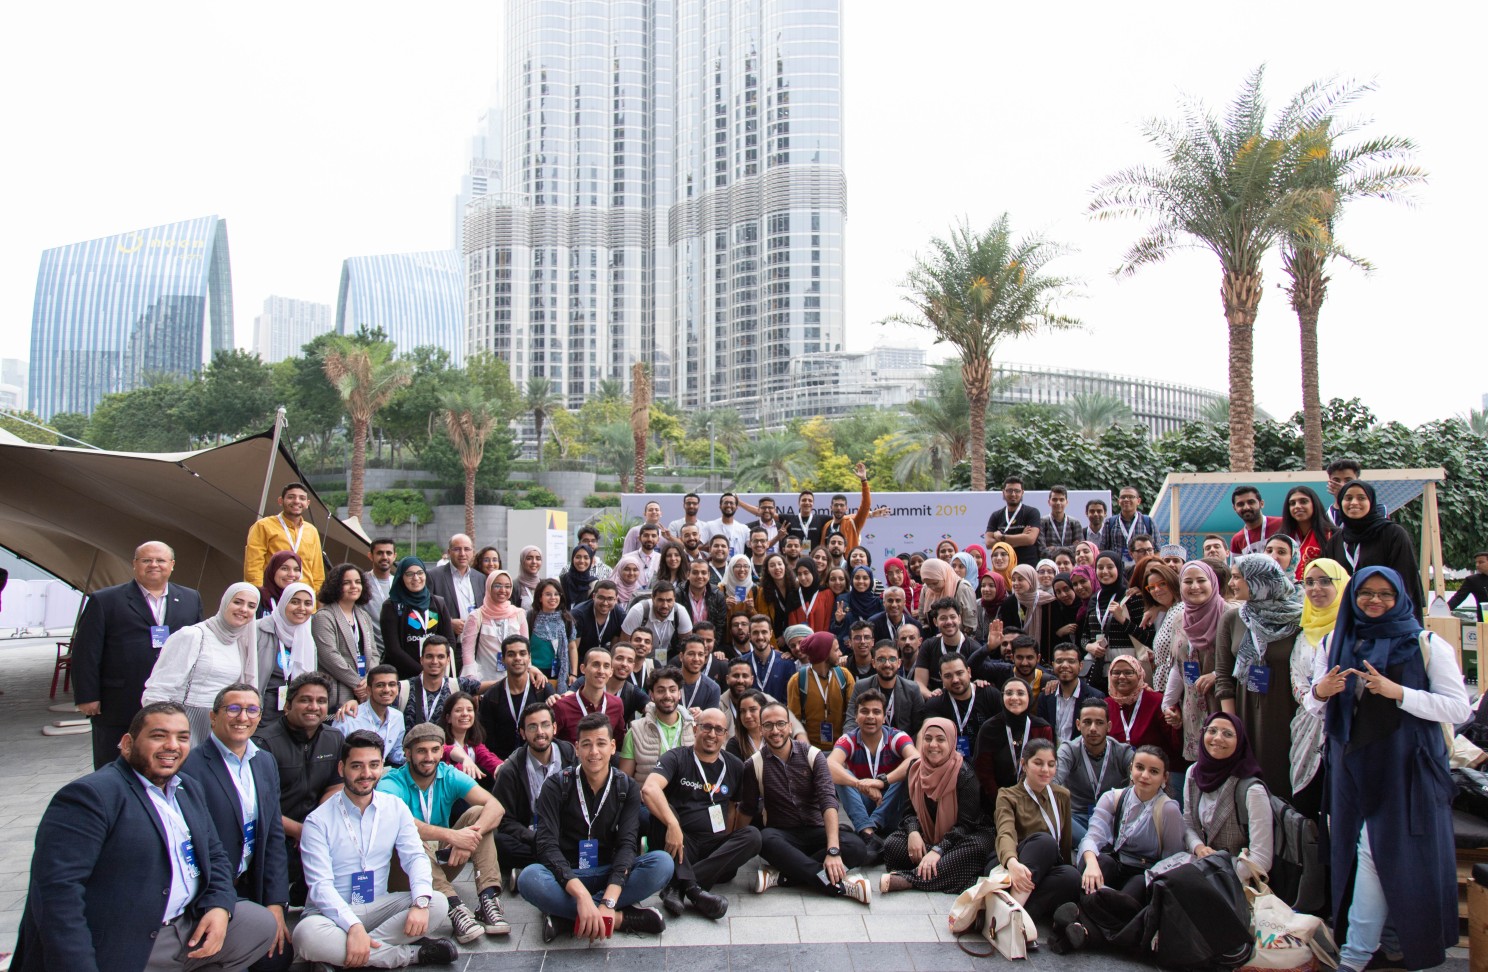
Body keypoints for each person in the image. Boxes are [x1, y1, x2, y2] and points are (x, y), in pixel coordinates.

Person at [12, 701, 278, 972]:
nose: (172, 745)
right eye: (159, 736)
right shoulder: (90, 797)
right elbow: (57, 894)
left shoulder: (187, 789)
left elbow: (215, 856)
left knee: (258, 924)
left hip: (186, 925)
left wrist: (220, 907)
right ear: (127, 744)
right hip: (127, 939)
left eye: (182, 737)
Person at [1305, 566, 1470, 972]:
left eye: (1385, 594)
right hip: (1349, 767)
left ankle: (1357, 954)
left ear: (1400, 597)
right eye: (1366, 593)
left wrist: (1400, 694)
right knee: (1358, 852)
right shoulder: (1335, 640)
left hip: (1405, 765)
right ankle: (1382, 942)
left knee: (1380, 852)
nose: (1375, 601)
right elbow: (1312, 704)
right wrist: (1320, 692)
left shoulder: (1424, 642)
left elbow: (1457, 707)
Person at [291, 730, 458, 968]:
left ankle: (346, 956)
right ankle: (410, 955)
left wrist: (420, 902)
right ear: (341, 769)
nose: (366, 774)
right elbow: (320, 887)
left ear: (382, 767)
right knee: (305, 935)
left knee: (437, 903)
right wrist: (353, 926)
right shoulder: (318, 821)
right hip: (330, 913)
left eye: (374, 765)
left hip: (378, 906)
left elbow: (415, 858)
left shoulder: (395, 807)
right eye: (357, 766)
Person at [519, 712, 673, 942]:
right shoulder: (556, 785)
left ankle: (568, 919)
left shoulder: (626, 787)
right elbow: (546, 845)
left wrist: (609, 898)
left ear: (612, 747)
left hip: (608, 871)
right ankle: (619, 919)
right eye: (587, 745)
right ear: (577, 748)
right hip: (567, 876)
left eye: (601, 744)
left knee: (662, 863)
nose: (594, 752)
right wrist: (580, 895)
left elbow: (627, 844)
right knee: (529, 878)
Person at [181, 684, 293, 972]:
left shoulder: (264, 761)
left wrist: (276, 904)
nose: (243, 716)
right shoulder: (191, 766)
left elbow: (273, 837)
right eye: (233, 709)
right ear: (213, 716)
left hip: (250, 883)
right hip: (209, 891)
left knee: (277, 956)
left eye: (251, 709)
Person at [73, 540, 206, 769]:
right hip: (119, 700)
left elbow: (201, 647)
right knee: (114, 762)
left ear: (172, 565)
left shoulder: (190, 598)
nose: (154, 565)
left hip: (171, 698)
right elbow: (86, 651)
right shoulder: (105, 600)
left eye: (161, 560)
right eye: (147, 560)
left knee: (163, 761)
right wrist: (87, 695)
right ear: (134, 564)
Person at [377, 721, 510, 942]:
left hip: (442, 859)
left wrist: (467, 837)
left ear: (442, 751)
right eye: (421, 751)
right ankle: (453, 906)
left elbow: (496, 806)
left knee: (479, 814)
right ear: (407, 754)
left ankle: (488, 899)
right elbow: (401, 824)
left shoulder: (447, 774)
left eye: (434, 750)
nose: (429, 757)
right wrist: (452, 836)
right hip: (404, 873)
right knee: (410, 835)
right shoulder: (391, 782)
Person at [738, 701, 872, 903]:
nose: (775, 731)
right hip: (783, 836)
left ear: (790, 726)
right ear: (760, 729)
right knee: (764, 839)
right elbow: (747, 809)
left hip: (816, 831)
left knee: (856, 847)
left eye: (781, 724)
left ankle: (783, 876)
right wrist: (734, 845)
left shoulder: (813, 755)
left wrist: (833, 851)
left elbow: (828, 801)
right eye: (768, 725)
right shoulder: (754, 764)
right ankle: (839, 886)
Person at [1056, 745, 1186, 952]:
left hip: (1146, 872)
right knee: (1100, 864)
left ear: (1165, 778)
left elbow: (1172, 860)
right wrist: (1090, 864)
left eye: (1153, 772)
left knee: (1128, 895)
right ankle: (1086, 922)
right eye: (1140, 767)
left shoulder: (1169, 809)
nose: (1144, 775)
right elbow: (1092, 837)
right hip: (1117, 862)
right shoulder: (1113, 798)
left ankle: (1082, 925)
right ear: (1131, 769)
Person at [642, 707, 762, 919]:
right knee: (662, 811)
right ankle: (697, 892)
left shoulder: (734, 765)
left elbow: (734, 808)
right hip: (679, 844)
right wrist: (673, 825)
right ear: (695, 729)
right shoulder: (677, 757)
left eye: (718, 729)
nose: (712, 734)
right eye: (707, 727)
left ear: (726, 735)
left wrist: (727, 844)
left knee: (753, 835)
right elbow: (649, 789)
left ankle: (679, 885)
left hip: (715, 852)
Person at [1214, 554, 1304, 800]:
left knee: (1284, 785)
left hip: (1287, 715)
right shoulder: (1233, 618)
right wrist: (1232, 726)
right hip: (1246, 716)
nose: (1232, 583)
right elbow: (1223, 676)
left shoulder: (1300, 620)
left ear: (1259, 580)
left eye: (1237, 577)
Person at [252, 673, 344, 906]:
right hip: (273, 832)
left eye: (321, 701)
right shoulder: (263, 743)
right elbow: (258, 803)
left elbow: (335, 785)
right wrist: (297, 830)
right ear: (287, 704)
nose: (314, 707)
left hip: (316, 829)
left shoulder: (334, 738)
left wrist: (314, 826)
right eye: (305, 700)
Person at [877, 717, 992, 895]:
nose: (933, 745)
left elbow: (967, 825)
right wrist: (914, 832)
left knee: (978, 848)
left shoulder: (965, 774)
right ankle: (952, 875)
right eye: (928, 739)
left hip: (962, 837)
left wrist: (938, 850)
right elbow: (909, 812)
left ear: (951, 742)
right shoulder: (915, 769)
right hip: (927, 836)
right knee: (892, 845)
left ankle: (909, 879)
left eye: (940, 739)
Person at [142, 583, 262, 746]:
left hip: (219, 724)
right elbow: (159, 688)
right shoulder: (193, 635)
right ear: (225, 602)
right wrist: (160, 728)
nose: (243, 609)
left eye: (251, 606)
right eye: (238, 602)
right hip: (184, 721)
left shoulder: (240, 643)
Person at [991, 738, 1080, 924]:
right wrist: (1013, 862)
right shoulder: (1008, 795)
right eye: (1038, 763)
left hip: (1044, 871)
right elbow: (1005, 832)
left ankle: (1017, 918)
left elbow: (1064, 842)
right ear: (1024, 764)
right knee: (1044, 842)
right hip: (1013, 865)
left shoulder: (1062, 795)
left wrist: (1066, 866)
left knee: (1071, 877)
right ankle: (1011, 913)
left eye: (1051, 764)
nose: (1045, 770)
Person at [1286, 557, 1348, 819]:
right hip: (1306, 726)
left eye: (1325, 581)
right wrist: (1317, 694)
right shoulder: (1303, 633)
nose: (1315, 588)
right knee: (1308, 805)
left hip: (1344, 727)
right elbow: (1296, 680)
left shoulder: (1352, 632)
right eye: (1309, 582)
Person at [1181, 712, 1274, 883]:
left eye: (1228, 734)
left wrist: (1216, 875)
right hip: (1200, 869)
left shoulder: (1251, 790)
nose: (1217, 738)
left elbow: (1261, 859)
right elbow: (1187, 823)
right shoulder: (1193, 773)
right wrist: (1198, 847)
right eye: (1212, 730)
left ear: (1240, 743)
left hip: (1236, 881)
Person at [491, 702, 578, 874]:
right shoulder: (511, 769)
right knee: (500, 844)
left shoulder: (571, 757)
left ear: (554, 727)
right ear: (523, 733)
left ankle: (535, 869)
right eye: (532, 727)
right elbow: (504, 820)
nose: (540, 732)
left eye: (545, 725)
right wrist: (535, 838)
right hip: (532, 835)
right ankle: (563, 866)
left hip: (566, 832)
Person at [828, 689, 917, 852]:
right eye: (864, 711)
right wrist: (860, 784)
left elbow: (915, 759)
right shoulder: (849, 739)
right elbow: (830, 765)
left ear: (884, 718)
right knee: (841, 774)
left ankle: (870, 827)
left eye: (876, 712)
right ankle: (868, 832)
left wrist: (881, 782)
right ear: (856, 717)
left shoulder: (896, 736)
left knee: (910, 769)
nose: (870, 716)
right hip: (864, 806)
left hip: (892, 807)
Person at [1322, 480, 1426, 620]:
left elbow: (1405, 580)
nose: (1353, 503)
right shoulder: (1337, 540)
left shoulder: (1392, 534)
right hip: (1349, 618)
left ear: (1371, 502)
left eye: (1361, 498)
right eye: (1348, 498)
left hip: (1388, 616)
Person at [1162, 561, 1226, 763]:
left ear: (1213, 582)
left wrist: (1217, 675)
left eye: (1201, 580)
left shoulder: (1229, 615)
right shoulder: (1179, 619)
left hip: (1222, 702)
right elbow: (1178, 665)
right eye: (1188, 581)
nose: (1194, 586)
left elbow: (1244, 660)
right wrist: (1168, 703)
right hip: (1192, 708)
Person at [1055, 698, 1134, 847]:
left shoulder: (1122, 751)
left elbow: (1138, 784)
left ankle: (1092, 848)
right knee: (1058, 816)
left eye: (1099, 722)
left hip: (1112, 818)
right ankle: (1100, 847)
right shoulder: (1069, 749)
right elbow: (1053, 781)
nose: (1092, 728)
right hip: (1078, 817)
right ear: (1078, 724)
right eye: (1087, 722)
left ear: (1109, 726)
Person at [974, 676, 1053, 805]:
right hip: (997, 801)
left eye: (1021, 693)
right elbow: (984, 772)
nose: (1014, 698)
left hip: (1034, 800)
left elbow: (1046, 769)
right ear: (1002, 698)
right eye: (1009, 693)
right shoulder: (989, 729)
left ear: (1029, 698)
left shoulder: (1042, 728)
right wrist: (1001, 800)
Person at [311, 564, 380, 711]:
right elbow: (329, 657)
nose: (353, 586)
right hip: (338, 691)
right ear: (335, 586)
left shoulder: (364, 616)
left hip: (364, 689)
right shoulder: (324, 617)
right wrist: (358, 684)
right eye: (346, 583)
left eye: (357, 582)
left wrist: (369, 680)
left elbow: (374, 653)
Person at [479, 634, 557, 758]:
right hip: (503, 765)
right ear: (503, 659)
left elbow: (554, 731)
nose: (517, 658)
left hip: (539, 760)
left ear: (529, 658)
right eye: (511, 654)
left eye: (522, 653)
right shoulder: (492, 696)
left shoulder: (542, 689)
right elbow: (488, 740)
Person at [379, 557, 455, 679]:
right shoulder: (391, 607)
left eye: (420, 573)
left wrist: (437, 667)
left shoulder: (437, 602)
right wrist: (423, 672)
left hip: (436, 675)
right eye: (409, 574)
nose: (416, 578)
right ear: (400, 577)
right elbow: (393, 650)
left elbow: (449, 640)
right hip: (405, 677)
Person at [243, 482, 325, 595]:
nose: (296, 501)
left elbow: (317, 572)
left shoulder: (312, 531)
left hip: (303, 597)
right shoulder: (263, 526)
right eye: (291, 497)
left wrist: (317, 601)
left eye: (302, 498)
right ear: (280, 501)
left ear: (307, 503)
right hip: (273, 595)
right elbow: (253, 565)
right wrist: (259, 595)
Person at [617, 666, 695, 782]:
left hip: (685, 798)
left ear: (679, 694)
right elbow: (624, 780)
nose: (667, 695)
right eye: (660, 690)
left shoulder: (694, 729)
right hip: (645, 798)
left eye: (672, 690)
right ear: (652, 695)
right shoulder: (635, 731)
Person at [393, 635, 489, 730]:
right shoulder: (401, 689)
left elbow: (487, 686)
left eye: (440, 657)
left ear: (448, 660)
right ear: (421, 659)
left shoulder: (456, 685)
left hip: (447, 745)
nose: (434, 661)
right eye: (429, 656)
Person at [255, 581, 317, 724]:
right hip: (259, 710)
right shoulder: (259, 629)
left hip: (290, 714)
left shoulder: (307, 638)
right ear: (283, 603)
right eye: (295, 602)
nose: (302, 608)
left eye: (308, 604)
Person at [786, 631, 857, 750]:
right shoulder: (797, 681)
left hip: (841, 748)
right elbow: (794, 719)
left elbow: (853, 713)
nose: (840, 653)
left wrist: (844, 746)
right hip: (809, 750)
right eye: (836, 650)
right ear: (823, 654)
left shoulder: (844, 676)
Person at [923, 653, 1003, 758]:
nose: (955, 680)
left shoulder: (990, 695)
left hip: (988, 761)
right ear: (941, 677)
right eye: (948, 676)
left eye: (959, 673)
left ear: (969, 672)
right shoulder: (935, 704)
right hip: (950, 764)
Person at [846, 638, 924, 736]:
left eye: (892, 659)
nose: (887, 664)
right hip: (869, 744)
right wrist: (849, 744)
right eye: (881, 659)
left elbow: (919, 728)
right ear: (873, 663)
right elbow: (851, 721)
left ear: (899, 663)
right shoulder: (861, 686)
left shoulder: (912, 689)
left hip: (902, 747)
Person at [460, 570, 528, 681]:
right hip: (485, 679)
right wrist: (473, 682)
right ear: (489, 587)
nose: (503, 590)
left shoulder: (519, 614)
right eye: (497, 585)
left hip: (514, 679)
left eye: (507, 586)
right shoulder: (476, 616)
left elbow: (525, 648)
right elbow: (467, 651)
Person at [333, 665, 406, 767]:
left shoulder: (397, 717)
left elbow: (395, 753)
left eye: (392, 684)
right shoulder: (348, 718)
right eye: (380, 685)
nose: (386, 690)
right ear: (368, 690)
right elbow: (335, 759)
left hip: (382, 774)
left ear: (397, 689)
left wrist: (414, 757)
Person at [552, 647, 627, 744]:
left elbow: (619, 742)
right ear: (583, 669)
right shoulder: (561, 706)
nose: (601, 671)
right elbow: (550, 743)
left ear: (611, 672)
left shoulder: (616, 704)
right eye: (596, 665)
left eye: (606, 666)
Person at [1038, 642, 1106, 743]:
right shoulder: (1045, 696)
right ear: (1053, 665)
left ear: (1081, 665)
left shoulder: (1095, 697)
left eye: (1071, 661)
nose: (1065, 665)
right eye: (1059, 661)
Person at [622, 580, 694, 664]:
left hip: (667, 658)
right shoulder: (638, 611)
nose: (665, 605)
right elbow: (624, 644)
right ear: (652, 598)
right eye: (660, 600)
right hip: (637, 658)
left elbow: (688, 645)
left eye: (669, 600)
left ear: (674, 599)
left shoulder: (680, 611)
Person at [440, 691, 501, 783]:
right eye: (458, 710)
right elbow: (448, 749)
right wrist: (465, 758)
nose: (465, 714)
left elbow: (489, 759)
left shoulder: (474, 744)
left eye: (469, 710)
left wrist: (502, 768)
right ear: (448, 718)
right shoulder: (438, 743)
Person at [812, 462, 874, 551]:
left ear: (846, 508)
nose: (839, 508)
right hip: (831, 564)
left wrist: (864, 480)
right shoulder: (827, 526)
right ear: (831, 507)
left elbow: (865, 506)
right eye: (836, 505)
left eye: (841, 505)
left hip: (847, 564)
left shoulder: (853, 522)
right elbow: (823, 548)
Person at [523, 578, 572, 686]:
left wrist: (573, 673)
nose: (553, 598)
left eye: (556, 594)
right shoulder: (530, 617)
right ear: (540, 597)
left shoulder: (566, 619)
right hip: (534, 671)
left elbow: (572, 647)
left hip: (559, 671)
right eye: (548, 594)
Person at [986, 475, 1044, 566]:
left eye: (1017, 491)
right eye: (1009, 491)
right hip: (1003, 567)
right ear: (1003, 492)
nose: (1013, 494)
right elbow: (989, 543)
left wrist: (1001, 537)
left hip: (1026, 566)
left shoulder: (1032, 512)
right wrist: (1021, 537)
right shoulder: (996, 515)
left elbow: (1030, 539)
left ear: (1022, 492)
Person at [1280, 485, 1334, 581]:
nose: (1297, 506)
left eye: (1303, 501)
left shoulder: (1332, 534)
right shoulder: (1281, 538)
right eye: (1292, 503)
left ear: (1314, 504)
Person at [999, 564, 1053, 656]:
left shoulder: (1047, 601)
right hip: (1014, 654)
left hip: (1044, 654)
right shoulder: (1008, 603)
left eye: (1020, 579)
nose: (1016, 583)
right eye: (1013, 580)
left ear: (1031, 580)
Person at [569, 579, 624, 670]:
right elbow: (573, 648)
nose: (605, 603)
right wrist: (573, 673)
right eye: (601, 598)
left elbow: (615, 648)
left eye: (610, 599)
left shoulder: (619, 615)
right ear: (594, 596)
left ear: (616, 599)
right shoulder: (579, 614)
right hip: (581, 662)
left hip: (605, 664)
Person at [1097, 486, 1156, 565]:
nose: (1126, 499)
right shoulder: (1110, 522)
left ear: (1138, 501)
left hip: (1141, 567)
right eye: (1123, 497)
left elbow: (1157, 549)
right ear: (1118, 501)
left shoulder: (1148, 521)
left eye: (1131, 497)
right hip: (1117, 570)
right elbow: (1103, 549)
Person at [1228, 485, 1283, 556]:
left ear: (1261, 504)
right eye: (1240, 504)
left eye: (1251, 502)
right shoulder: (1237, 540)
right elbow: (1235, 567)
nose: (1246, 507)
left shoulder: (1281, 524)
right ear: (1234, 508)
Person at [254, 551, 303, 621]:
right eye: (284, 568)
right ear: (273, 570)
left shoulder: (301, 601)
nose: (291, 574)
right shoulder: (257, 597)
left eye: (296, 569)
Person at [700, 491, 753, 557]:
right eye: (726, 503)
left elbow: (754, 544)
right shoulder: (709, 526)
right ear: (720, 506)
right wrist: (711, 550)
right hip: (715, 565)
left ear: (737, 507)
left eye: (731, 503)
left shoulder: (744, 529)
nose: (728, 505)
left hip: (736, 566)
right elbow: (697, 546)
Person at [1042, 485, 1088, 549]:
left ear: (1066, 502)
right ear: (1049, 502)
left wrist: (1054, 549)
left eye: (1061, 500)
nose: (1058, 503)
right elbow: (1042, 550)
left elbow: (1079, 549)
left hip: (1070, 559)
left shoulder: (1075, 523)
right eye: (1054, 500)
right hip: (1049, 559)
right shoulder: (1042, 522)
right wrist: (1070, 548)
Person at [365, 538, 399, 623]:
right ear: (370, 556)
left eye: (389, 553)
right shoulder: (361, 582)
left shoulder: (400, 583)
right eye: (380, 553)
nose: (384, 557)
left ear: (394, 556)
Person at [1448, 550, 1488, 622]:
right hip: (1484, 622)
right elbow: (1457, 598)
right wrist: (1443, 610)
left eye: (1481, 562)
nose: (1477, 565)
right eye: (1476, 562)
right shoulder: (1472, 580)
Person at [560, 544, 597, 610]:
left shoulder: (594, 584)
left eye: (586, 558)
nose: (582, 561)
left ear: (591, 560)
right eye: (578, 557)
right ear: (572, 559)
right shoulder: (561, 581)